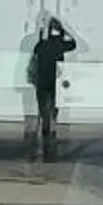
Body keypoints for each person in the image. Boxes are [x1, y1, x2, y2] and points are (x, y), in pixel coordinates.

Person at [29, 15, 77, 157]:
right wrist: (66, 30)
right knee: (55, 104)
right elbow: (74, 44)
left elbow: (36, 50)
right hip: (55, 79)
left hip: (42, 79)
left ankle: (45, 127)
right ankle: (53, 125)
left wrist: (41, 34)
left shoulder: (42, 44)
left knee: (43, 105)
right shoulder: (60, 44)